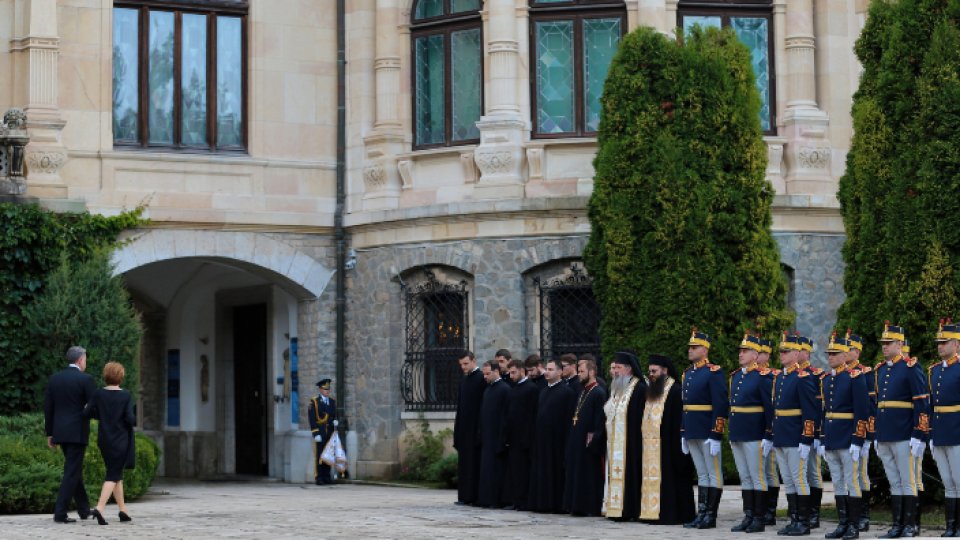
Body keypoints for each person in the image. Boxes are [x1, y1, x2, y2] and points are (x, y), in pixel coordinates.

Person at [874, 322, 929, 538]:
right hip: (886, 434)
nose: (884, 347)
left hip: (905, 434)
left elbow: (922, 403)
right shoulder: (880, 370)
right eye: (883, 344)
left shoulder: (910, 367)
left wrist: (919, 433)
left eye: (888, 343)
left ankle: (911, 525)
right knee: (894, 481)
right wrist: (877, 435)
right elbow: (879, 406)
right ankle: (897, 524)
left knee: (908, 480)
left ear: (899, 344)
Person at [819, 333, 870, 540]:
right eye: (829, 354)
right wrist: (823, 438)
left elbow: (862, 410)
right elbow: (825, 411)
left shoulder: (854, 377)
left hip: (848, 437)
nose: (830, 357)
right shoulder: (827, 379)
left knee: (852, 481)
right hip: (832, 437)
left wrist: (858, 439)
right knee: (838, 482)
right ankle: (842, 523)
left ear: (844, 355)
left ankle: (853, 525)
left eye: (834, 354)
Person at [772, 332, 819, 536]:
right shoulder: (781, 377)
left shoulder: (803, 377)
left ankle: (804, 521)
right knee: (788, 480)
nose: (782, 354)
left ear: (796, 353)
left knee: (799, 479)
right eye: (781, 351)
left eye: (786, 351)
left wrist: (807, 438)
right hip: (782, 434)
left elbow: (810, 411)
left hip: (795, 435)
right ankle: (794, 519)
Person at [639, 354, 695, 525]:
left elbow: (678, 421)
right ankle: (654, 513)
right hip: (654, 446)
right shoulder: (652, 391)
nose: (651, 375)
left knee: (674, 480)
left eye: (654, 371)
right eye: (649, 371)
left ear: (665, 371)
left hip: (671, 445)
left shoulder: (676, 390)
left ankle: (673, 515)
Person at [727, 334, 775, 533]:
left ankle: (759, 517)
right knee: (745, 476)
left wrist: (768, 435)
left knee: (757, 476)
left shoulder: (763, 377)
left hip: (755, 433)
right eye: (740, 351)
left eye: (745, 351)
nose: (741, 354)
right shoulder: (736, 376)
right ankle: (748, 515)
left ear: (756, 355)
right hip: (738, 432)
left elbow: (769, 409)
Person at [681, 329, 728, 529]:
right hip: (692, 429)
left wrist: (716, 433)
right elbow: (685, 405)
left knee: (713, 472)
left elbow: (720, 404)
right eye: (690, 347)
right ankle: (702, 513)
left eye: (695, 347)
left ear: (705, 349)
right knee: (701, 473)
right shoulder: (688, 373)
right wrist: (683, 431)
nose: (690, 350)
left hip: (707, 430)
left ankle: (711, 515)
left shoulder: (713, 372)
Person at [44, 345, 97, 523]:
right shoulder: (86, 379)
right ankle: (60, 512)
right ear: (80, 360)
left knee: (74, 469)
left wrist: (50, 433)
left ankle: (83, 509)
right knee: (71, 471)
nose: (86, 363)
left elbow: (48, 408)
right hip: (77, 432)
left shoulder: (55, 379)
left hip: (60, 431)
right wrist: (85, 413)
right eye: (85, 360)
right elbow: (94, 405)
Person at [83, 361, 136, 525]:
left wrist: (102, 416)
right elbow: (130, 419)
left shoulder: (98, 394)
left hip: (104, 439)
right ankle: (99, 508)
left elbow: (86, 412)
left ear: (106, 376)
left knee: (116, 474)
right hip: (120, 440)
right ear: (121, 377)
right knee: (113, 475)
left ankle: (123, 511)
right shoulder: (126, 395)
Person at [601, 350, 647, 521]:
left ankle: (630, 510)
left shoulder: (639, 388)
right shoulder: (617, 387)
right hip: (615, 443)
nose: (615, 371)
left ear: (629, 369)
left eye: (618, 368)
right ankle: (616, 509)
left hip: (632, 443)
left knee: (632, 476)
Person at [528, 358, 575, 513]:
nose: (547, 372)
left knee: (555, 473)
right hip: (542, 440)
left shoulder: (567, 392)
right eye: (546, 369)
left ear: (560, 372)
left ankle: (555, 504)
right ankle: (541, 503)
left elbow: (569, 419)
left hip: (557, 441)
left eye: (551, 369)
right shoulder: (543, 391)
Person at [563, 358, 607, 517]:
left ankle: (589, 507)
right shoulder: (583, 391)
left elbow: (599, 421)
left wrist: (594, 439)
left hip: (589, 444)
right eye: (579, 371)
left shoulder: (598, 392)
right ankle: (576, 506)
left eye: (582, 372)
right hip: (577, 440)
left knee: (588, 475)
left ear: (592, 372)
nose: (579, 375)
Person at [930, 319, 960, 537]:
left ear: (956, 344)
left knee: (959, 481)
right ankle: (951, 526)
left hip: (957, 431)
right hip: (940, 432)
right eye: (938, 342)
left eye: (944, 342)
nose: (940, 346)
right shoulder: (935, 371)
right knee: (948, 482)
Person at [845, 330, 875, 532]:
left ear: (857, 352)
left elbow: (870, 406)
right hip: (843, 432)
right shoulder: (841, 373)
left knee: (861, 475)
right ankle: (849, 515)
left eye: (849, 349)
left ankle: (863, 515)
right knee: (847, 476)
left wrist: (867, 436)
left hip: (860, 432)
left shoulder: (865, 373)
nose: (845, 353)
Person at [502, 359, 538, 510]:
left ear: (522, 371)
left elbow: (532, 416)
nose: (511, 376)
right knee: (515, 472)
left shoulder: (531, 388)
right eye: (510, 372)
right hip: (513, 439)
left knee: (524, 472)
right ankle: (516, 500)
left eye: (513, 372)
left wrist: (527, 438)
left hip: (525, 439)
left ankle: (524, 501)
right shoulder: (514, 389)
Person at [798, 335, 825, 528]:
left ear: (806, 352)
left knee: (812, 472)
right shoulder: (789, 375)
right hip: (793, 430)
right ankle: (802, 512)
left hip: (810, 431)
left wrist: (816, 433)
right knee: (798, 474)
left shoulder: (816, 375)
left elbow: (818, 406)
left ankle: (814, 513)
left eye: (798, 349)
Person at [477, 359, 510, 508]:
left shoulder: (504, 389)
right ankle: (486, 499)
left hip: (497, 438)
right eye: (484, 374)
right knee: (486, 470)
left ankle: (496, 500)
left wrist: (502, 439)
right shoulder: (487, 389)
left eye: (487, 374)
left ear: (496, 371)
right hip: (487, 437)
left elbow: (505, 417)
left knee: (497, 470)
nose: (485, 377)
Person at [454, 350, 485, 505]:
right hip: (465, 430)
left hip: (475, 430)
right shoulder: (464, 381)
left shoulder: (481, 379)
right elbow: (460, 408)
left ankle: (474, 496)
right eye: (461, 365)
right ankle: (464, 496)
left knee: (475, 465)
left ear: (474, 361)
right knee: (465, 465)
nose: (464, 367)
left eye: (466, 364)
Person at [757, 336, 782, 526]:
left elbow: (772, 406)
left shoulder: (773, 375)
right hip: (752, 428)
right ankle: (759, 507)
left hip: (768, 428)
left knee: (769, 469)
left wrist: (770, 430)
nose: (759, 356)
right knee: (757, 471)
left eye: (763, 353)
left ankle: (770, 510)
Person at [308, 378, 338, 485]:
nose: (327, 391)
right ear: (320, 389)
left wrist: (335, 421)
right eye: (325, 389)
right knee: (320, 455)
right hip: (320, 432)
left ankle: (326, 476)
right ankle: (319, 477)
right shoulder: (314, 402)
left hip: (329, 433)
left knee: (328, 455)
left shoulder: (332, 402)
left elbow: (333, 415)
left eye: (328, 389)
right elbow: (312, 419)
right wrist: (315, 433)